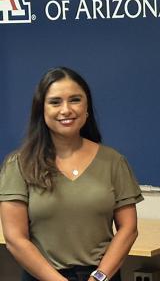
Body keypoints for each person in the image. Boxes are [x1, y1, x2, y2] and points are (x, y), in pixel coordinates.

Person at [0, 67, 144, 281]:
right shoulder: (19, 164)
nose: (66, 110)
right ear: (41, 110)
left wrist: (99, 277)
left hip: (102, 276)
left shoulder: (114, 161)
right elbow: (15, 238)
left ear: (87, 108)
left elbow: (128, 228)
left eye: (75, 100)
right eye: (55, 102)